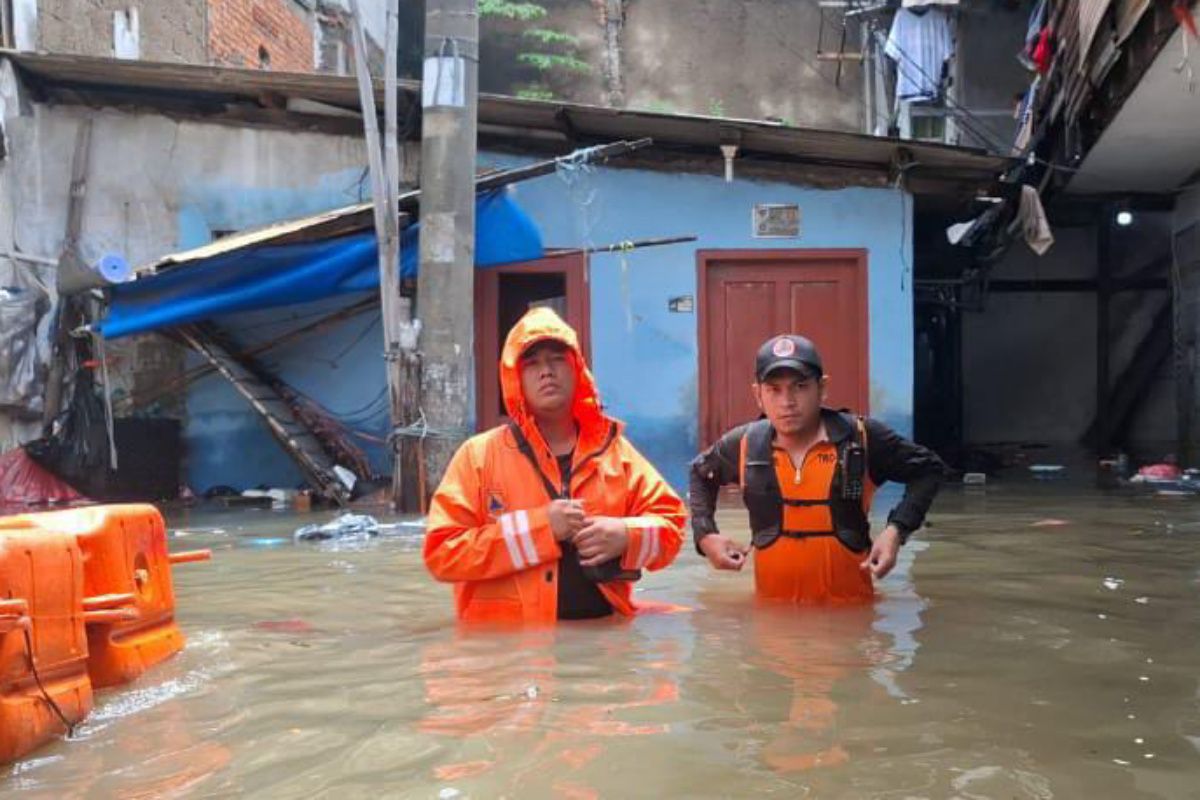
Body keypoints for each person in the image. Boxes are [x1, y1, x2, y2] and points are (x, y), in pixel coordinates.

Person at [424, 307, 685, 623]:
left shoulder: (616, 453)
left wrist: (626, 535)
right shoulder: (478, 457)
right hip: (509, 645)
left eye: (557, 359)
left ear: (577, 369)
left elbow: (672, 527)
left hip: (604, 639)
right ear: (515, 379)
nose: (546, 371)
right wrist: (541, 529)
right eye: (532, 363)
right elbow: (442, 554)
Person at [689, 334, 945, 603]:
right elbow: (700, 473)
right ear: (758, 395)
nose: (787, 402)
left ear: (822, 388)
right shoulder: (744, 444)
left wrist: (896, 531)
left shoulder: (861, 438)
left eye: (800, 387)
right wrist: (706, 536)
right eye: (774, 389)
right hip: (772, 618)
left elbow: (928, 469)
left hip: (852, 616)